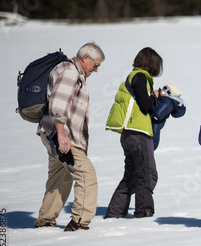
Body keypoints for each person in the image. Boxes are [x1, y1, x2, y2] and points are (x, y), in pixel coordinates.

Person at [34, 42, 105, 231]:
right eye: (95, 65)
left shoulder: (73, 72)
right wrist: (62, 136)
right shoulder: (70, 72)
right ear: (85, 58)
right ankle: (80, 222)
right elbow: (58, 104)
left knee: (60, 175)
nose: (96, 70)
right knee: (86, 174)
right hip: (62, 136)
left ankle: (45, 220)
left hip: (54, 133)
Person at [105, 47, 165, 219]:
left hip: (128, 135)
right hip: (138, 133)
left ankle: (114, 214)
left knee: (131, 177)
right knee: (147, 174)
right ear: (151, 64)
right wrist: (155, 95)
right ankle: (144, 213)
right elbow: (146, 105)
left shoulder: (133, 77)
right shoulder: (139, 77)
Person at [150, 83, 186, 150]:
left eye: (168, 92)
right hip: (153, 126)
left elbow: (157, 115)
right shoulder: (162, 100)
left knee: (150, 146)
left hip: (153, 127)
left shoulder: (167, 102)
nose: (164, 91)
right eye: (165, 88)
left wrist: (153, 96)